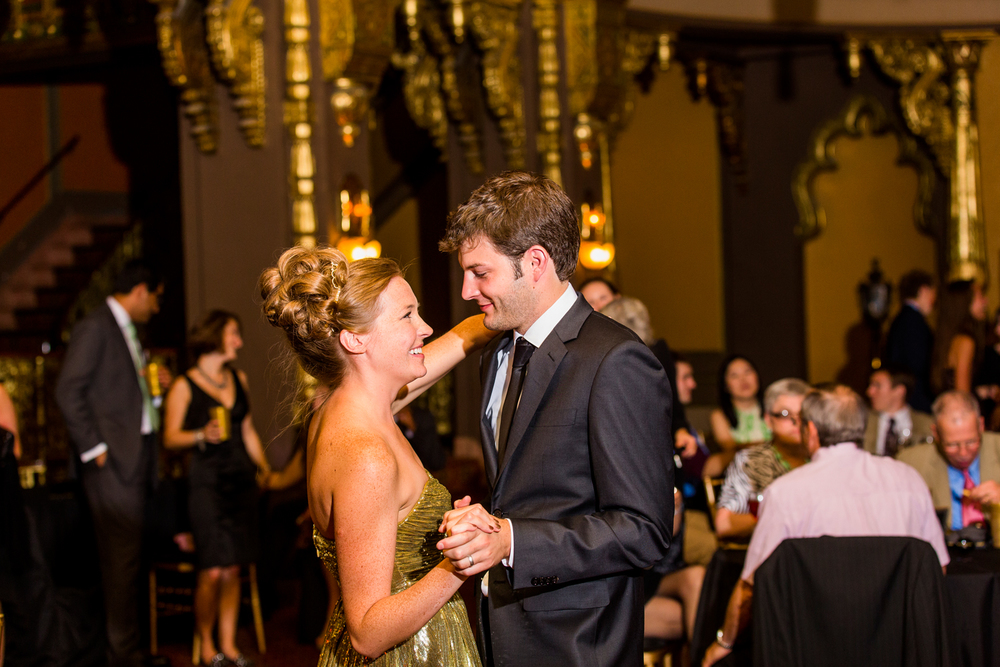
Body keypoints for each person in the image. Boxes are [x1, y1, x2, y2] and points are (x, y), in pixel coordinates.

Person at [436, 171, 673, 667]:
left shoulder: (615, 360)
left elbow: (643, 530)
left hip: (580, 644)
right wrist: (487, 525)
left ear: (536, 262)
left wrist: (511, 540)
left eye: (481, 273)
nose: (466, 291)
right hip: (503, 632)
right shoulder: (496, 355)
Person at [259, 245, 497, 666]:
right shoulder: (365, 453)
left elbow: (458, 341)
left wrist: (505, 311)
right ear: (355, 339)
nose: (424, 327)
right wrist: (462, 560)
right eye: (407, 315)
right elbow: (368, 632)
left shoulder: (344, 407)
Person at [703, 385, 949, 667]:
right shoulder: (910, 481)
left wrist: (723, 643)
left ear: (812, 430)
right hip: (898, 649)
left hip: (812, 650)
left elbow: (751, 585)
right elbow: (936, 570)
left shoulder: (787, 493)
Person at [55, 260, 171, 667]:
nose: (156, 307)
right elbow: (68, 390)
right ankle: (123, 656)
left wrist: (155, 393)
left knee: (129, 561)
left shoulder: (128, 331)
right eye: (155, 297)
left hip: (135, 459)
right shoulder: (96, 326)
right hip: (112, 465)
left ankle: (129, 650)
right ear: (140, 290)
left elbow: (125, 396)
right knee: (120, 562)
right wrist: (95, 449)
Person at [162, 310, 271, 667]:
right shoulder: (184, 384)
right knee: (211, 569)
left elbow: (248, 430)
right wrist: (200, 435)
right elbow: (169, 437)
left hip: (240, 482)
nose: (239, 341)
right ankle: (206, 644)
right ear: (215, 338)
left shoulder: (238, 378)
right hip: (206, 484)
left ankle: (229, 645)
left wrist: (264, 466)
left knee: (233, 568)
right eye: (233, 334)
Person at [599, 296, 696, 459]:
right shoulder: (597, 357)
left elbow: (670, 399)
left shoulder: (657, 351)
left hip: (647, 443)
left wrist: (680, 430)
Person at [714, 378, 810, 540]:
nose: (796, 422)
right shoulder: (751, 460)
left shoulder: (825, 456)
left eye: (803, 414)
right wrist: (776, 515)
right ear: (768, 420)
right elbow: (723, 524)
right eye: (785, 414)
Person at [897, 391, 1000, 531]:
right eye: (952, 445)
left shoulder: (997, 448)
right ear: (936, 434)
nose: (963, 453)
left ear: (981, 425)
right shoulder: (910, 463)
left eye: (971, 442)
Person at [643, 488, 705, 645]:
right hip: (625, 581)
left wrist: (675, 508)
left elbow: (670, 532)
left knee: (697, 576)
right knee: (695, 618)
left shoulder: (672, 466)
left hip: (659, 572)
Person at [884, 269, 936, 412]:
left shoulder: (900, 318)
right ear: (924, 290)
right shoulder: (914, 321)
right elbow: (917, 365)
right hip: (914, 397)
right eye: (933, 292)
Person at [931, 279, 988, 395]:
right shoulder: (965, 341)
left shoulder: (950, 338)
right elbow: (962, 393)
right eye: (980, 297)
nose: (985, 302)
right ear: (964, 302)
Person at [863, 366, 934, 456]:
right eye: (871, 385)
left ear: (899, 391)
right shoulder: (863, 421)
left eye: (877, 386)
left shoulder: (928, 425)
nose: (870, 391)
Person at [709, 355, 771, 456]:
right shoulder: (719, 415)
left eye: (747, 372)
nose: (743, 379)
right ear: (725, 385)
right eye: (734, 375)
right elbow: (730, 449)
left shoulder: (773, 408)